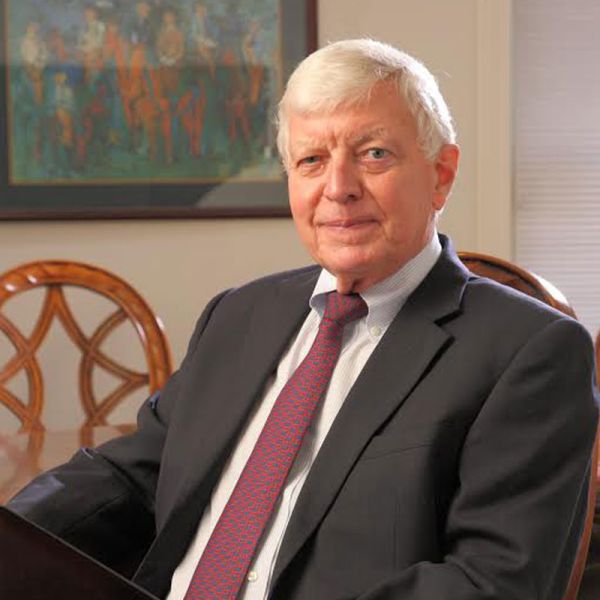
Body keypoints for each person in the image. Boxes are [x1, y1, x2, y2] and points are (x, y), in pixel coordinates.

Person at [8, 39, 598, 600]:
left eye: (373, 154)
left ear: (441, 174)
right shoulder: (238, 315)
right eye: (312, 160)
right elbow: (134, 477)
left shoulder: (529, 351)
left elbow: (491, 584)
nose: (338, 189)